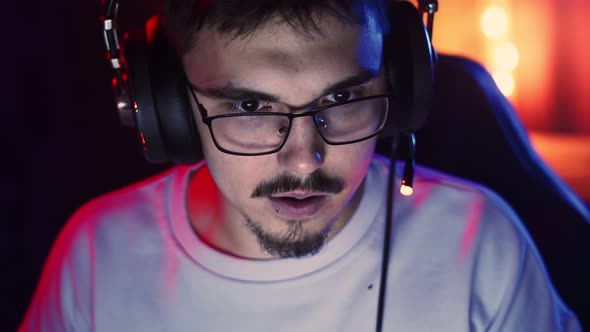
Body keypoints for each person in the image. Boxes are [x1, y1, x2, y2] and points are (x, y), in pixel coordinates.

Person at [20, 0, 581, 331]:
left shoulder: (481, 247)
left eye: (341, 100)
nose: (305, 158)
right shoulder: (97, 257)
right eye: (250, 107)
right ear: (168, 107)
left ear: (401, 87)